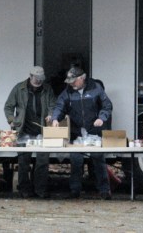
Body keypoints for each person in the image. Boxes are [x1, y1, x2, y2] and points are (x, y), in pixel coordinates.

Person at [52, 66, 113, 200]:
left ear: (82, 78)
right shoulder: (67, 92)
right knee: (76, 160)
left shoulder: (96, 88)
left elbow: (107, 106)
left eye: (74, 81)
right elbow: (59, 106)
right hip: (76, 133)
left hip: (94, 132)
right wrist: (55, 118)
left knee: (98, 160)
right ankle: (75, 191)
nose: (71, 83)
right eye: (69, 81)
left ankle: (104, 190)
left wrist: (101, 118)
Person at [4, 66, 56, 199]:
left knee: (43, 161)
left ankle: (40, 189)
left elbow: (53, 105)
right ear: (30, 76)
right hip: (23, 130)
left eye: (41, 79)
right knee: (23, 161)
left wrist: (51, 114)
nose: (39, 81)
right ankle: (24, 189)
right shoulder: (19, 88)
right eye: (37, 79)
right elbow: (8, 107)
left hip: (42, 131)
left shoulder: (47, 89)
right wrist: (11, 120)